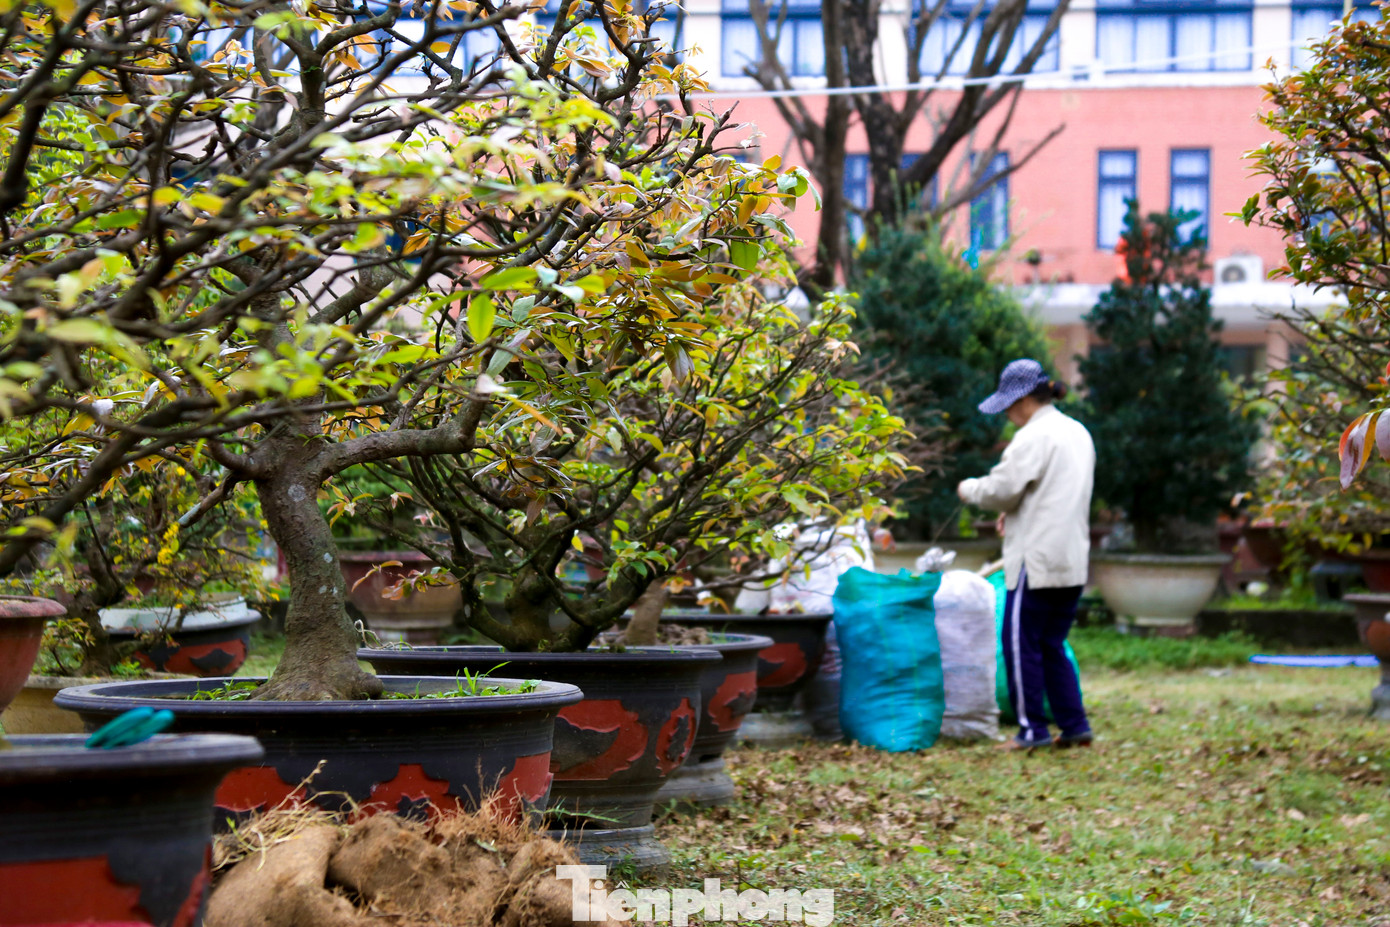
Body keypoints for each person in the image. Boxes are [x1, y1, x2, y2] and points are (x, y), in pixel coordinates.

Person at [956, 358, 1095, 750]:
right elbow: (1049, 493)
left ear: (1021, 401)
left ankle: (1031, 731)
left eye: (1008, 407)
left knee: (1021, 645)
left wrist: (969, 489)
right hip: (1070, 560)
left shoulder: (1034, 436)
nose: (1009, 416)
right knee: (1052, 645)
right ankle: (1075, 725)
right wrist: (1013, 513)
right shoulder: (1077, 432)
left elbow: (1003, 487)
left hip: (1035, 562)